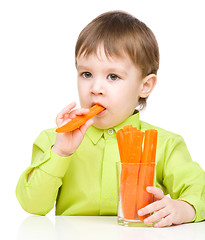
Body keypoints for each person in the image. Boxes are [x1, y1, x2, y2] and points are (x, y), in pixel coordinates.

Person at [16, 10, 205, 228]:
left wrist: (184, 208)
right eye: (86, 74)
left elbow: (198, 190)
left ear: (145, 86)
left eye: (113, 76)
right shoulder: (55, 140)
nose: (95, 89)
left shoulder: (166, 144)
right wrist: (60, 153)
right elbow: (32, 205)